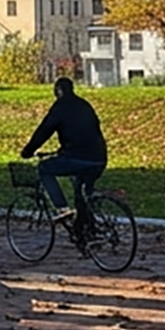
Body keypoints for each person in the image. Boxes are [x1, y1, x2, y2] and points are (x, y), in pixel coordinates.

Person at [21, 77, 107, 222]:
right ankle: (87, 225)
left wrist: (28, 151)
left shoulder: (60, 107)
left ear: (58, 91)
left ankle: (62, 208)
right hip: (99, 157)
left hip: (77, 157)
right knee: (82, 191)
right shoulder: (84, 104)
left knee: (44, 168)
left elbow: (44, 130)